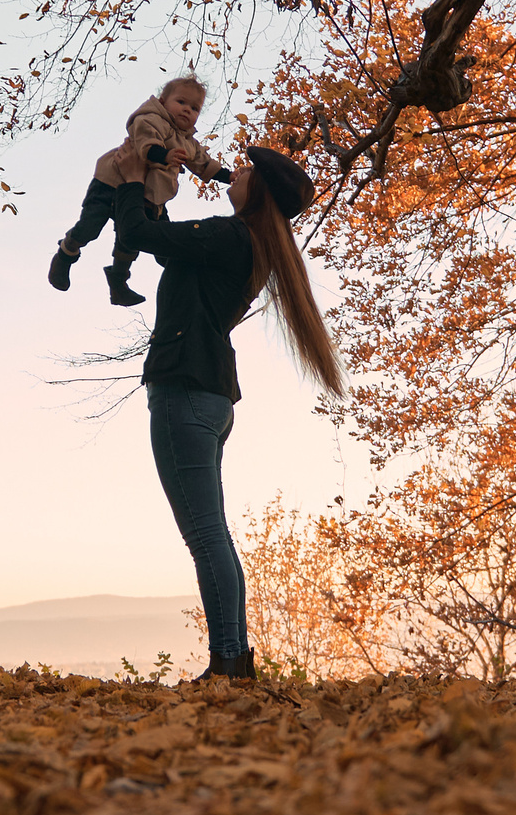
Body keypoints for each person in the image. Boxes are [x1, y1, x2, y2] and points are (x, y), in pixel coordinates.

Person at [112, 144, 344, 680]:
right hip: (211, 396)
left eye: (245, 170)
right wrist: (155, 194)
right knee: (212, 532)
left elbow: (143, 239)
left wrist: (127, 184)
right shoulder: (251, 244)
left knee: (205, 536)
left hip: (184, 390)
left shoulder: (230, 234)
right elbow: (171, 248)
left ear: (257, 188)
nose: (233, 174)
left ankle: (228, 666)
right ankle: (232, 659)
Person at [48, 76, 228, 306]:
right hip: (111, 183)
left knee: (130, 239)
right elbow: (146, 144)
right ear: (163, 102)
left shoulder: (189, 143)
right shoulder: (150, 119)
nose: (187, 110)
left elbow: (204, 164)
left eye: (194, 108)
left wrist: (230, 176)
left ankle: (119, 282)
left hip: (145, 196)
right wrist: (165, 156)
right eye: (181, 102)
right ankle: (66, 253)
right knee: (90, 227)